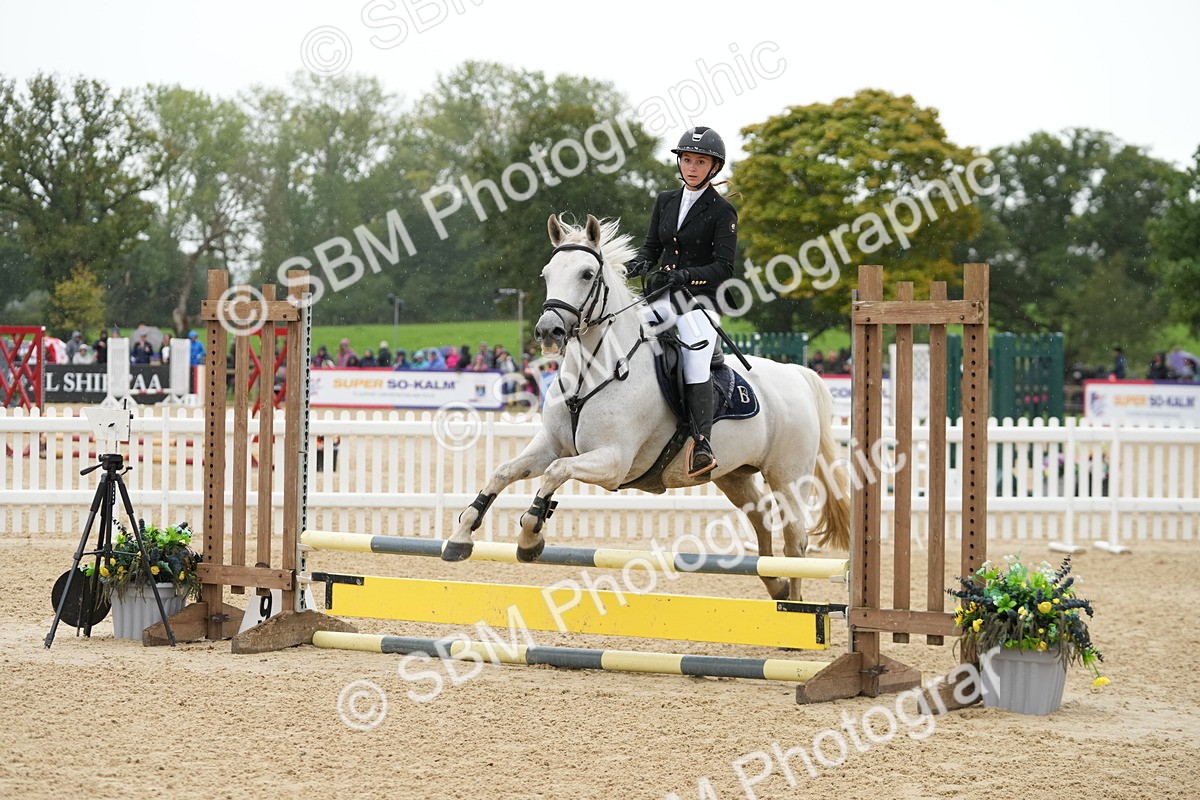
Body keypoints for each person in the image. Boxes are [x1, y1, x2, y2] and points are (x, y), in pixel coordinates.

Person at [625, 125, 736, 478]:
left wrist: (686, 276)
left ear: (713, 167)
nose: (691, 167)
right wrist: (635, 264)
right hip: (662, 296)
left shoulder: (722, 211)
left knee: (694, 356)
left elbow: (723, 266)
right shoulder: (665, 200)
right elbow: (651, 248)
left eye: (700, 162)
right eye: (687, 159)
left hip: (700, 301)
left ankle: (702, 442)